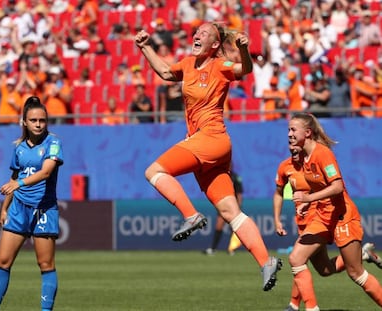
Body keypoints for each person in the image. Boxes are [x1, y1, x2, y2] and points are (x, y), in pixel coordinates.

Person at [135, 22, 282, 291]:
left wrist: (244, 51)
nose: (197, 35)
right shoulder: (189, 64)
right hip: (211, 147)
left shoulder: (219, 65)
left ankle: (191, 216)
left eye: (204, 33)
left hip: (211, 138)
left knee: (154, 172)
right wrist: (145, 47)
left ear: (215, 44)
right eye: (196, 32)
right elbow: (166, 72)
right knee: (231, 212)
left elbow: (244, 69)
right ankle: (266, 261)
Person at [287, 112, 382, 310]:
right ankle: (363, 255)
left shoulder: (323, 153)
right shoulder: (304, 157)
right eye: (289, 129)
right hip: (322, 216)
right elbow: (318, 185)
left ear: (308, 132)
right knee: (315, 266)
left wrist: (308, 198)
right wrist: (309, 202)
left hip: (342, 217)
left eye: (293, 129)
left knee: (355, 273)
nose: (289, 134)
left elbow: (337, 186)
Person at [0, 96, 64, 311]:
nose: (38, 124)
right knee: (2, 261)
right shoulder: (19, 148)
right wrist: (4, 209)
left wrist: (18, 183)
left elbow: (46, 172)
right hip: (19, 208)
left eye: (42, 120)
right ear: (25, 123)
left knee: (46, 265)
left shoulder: (54, 143)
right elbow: (13, 181)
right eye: (34, 120)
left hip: (44, 210)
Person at [204, 166, 244, 256]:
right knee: (219, 226)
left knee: (234, 228)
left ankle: (232, 249)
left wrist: (238, 206)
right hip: (223, 206)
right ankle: (213, 249)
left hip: (233, 207)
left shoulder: (235, 178)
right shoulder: (221, 177)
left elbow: (239, 194)